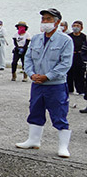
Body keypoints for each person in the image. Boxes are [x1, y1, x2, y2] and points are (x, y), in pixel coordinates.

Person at [16, 8, 74, 158]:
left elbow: (65, 63)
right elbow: (28, 58)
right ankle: (33, 140)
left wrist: (47, 76)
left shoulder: (66, 40)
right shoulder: (36, 38)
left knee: (59, 114)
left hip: (55, 85)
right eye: (43, 19)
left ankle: (63, 146)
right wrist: (31, 74)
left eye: (48, 19)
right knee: (35, 110)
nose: (45, 22)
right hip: (37, 84)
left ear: (57, 22)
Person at [66, 21, 85, 95]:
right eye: (74, 25)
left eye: (77, 26)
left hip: (80, 56)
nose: (75, 27)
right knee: (69, 73)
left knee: (80, 74)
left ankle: (80, 90)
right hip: (71, 56)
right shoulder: (69, 36)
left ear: (81, 28)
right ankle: (69, 89)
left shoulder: (83, 37)